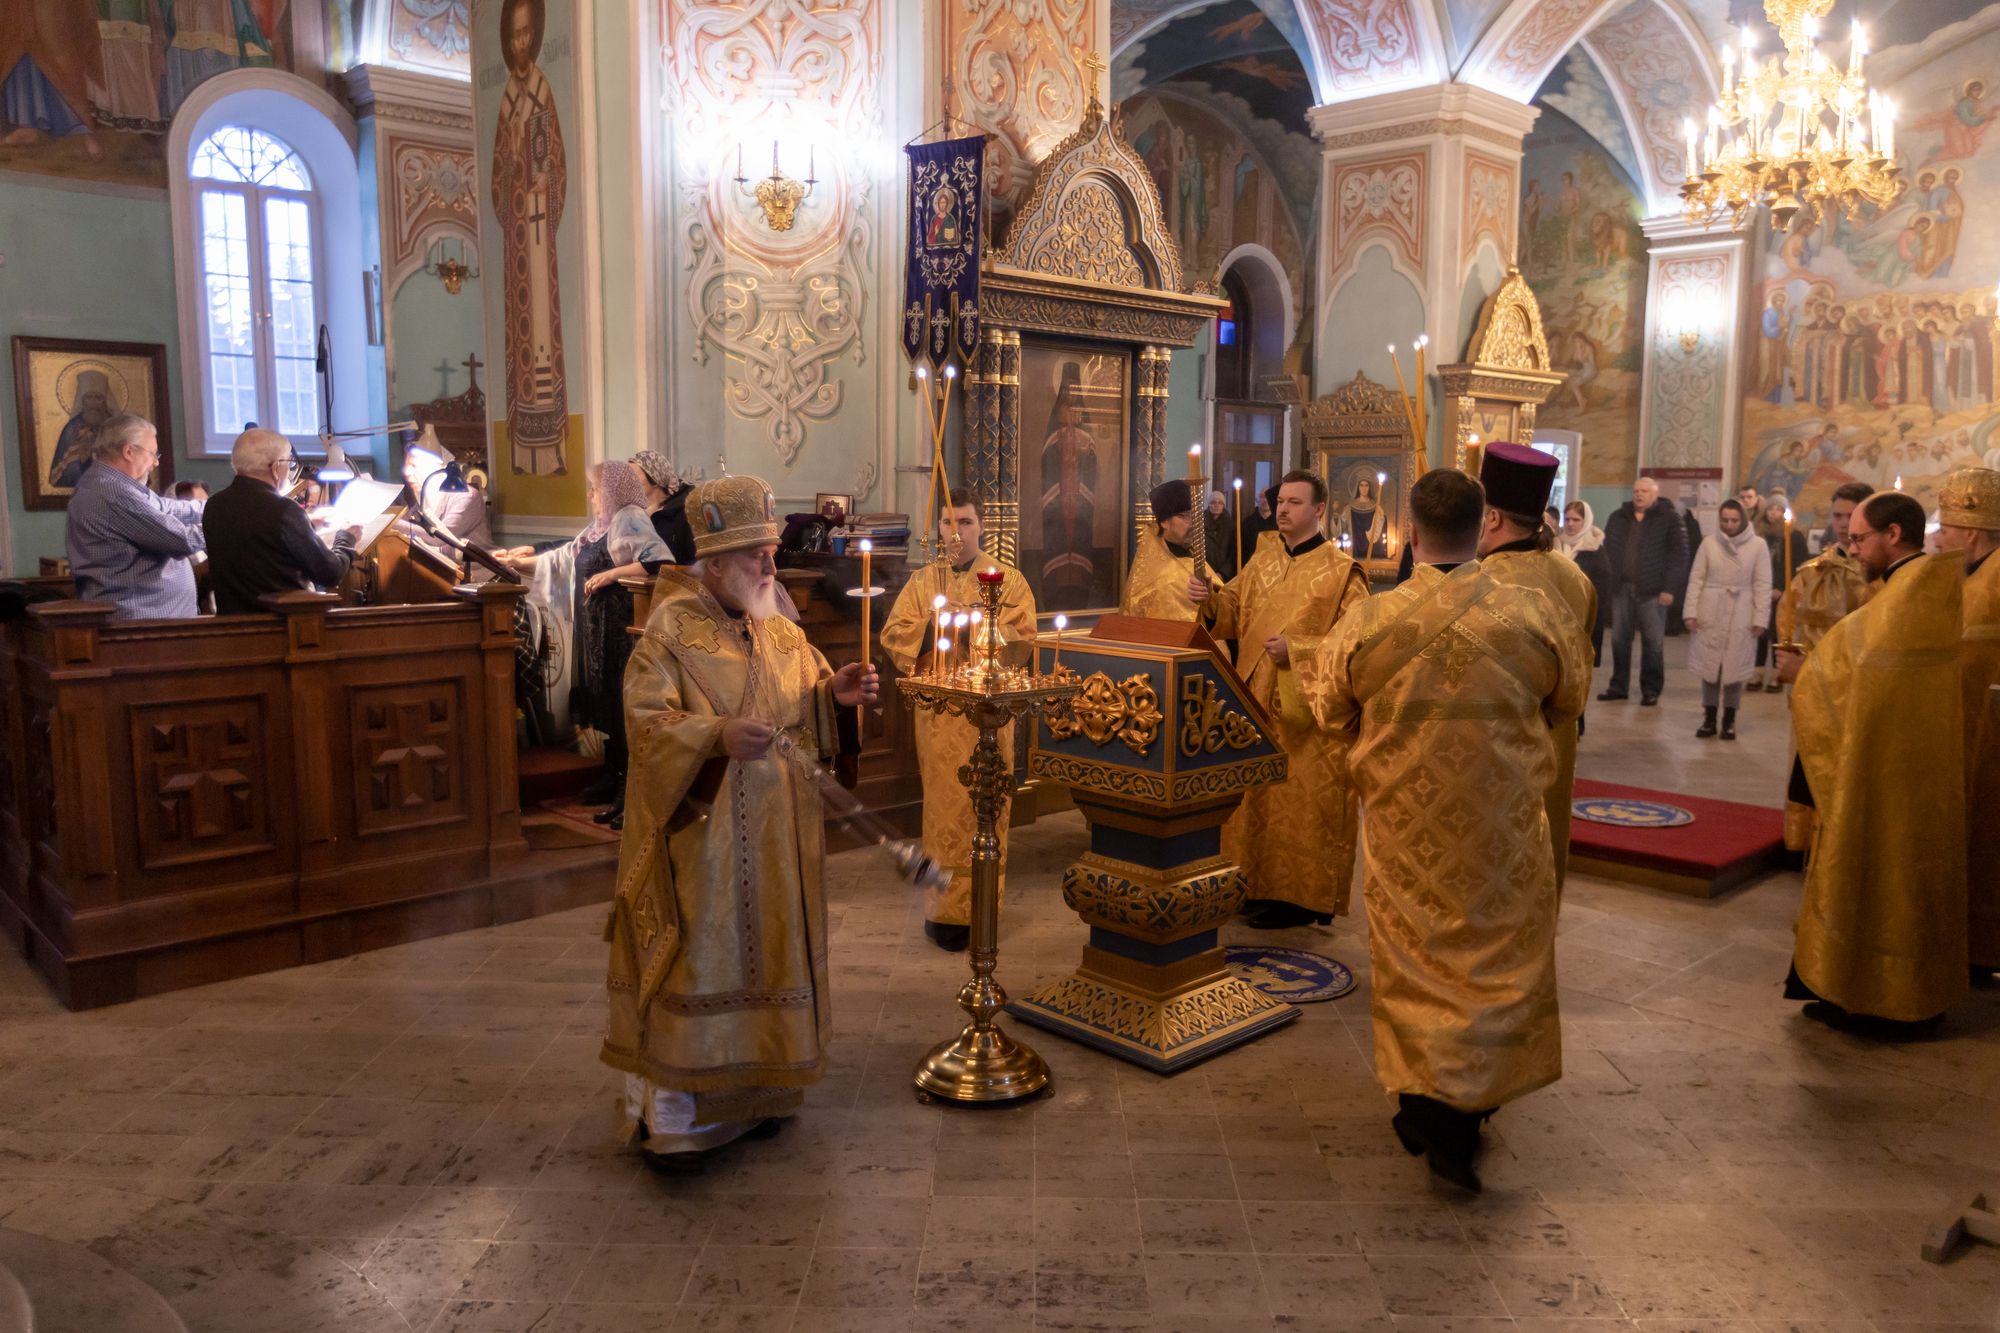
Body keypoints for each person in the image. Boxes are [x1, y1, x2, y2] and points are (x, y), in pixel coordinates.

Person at [1297, 468, 1588, 1192]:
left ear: (1413, 531)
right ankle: (1470, 1108)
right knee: (1494, 960)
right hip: (1504, 828)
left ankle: (1428, 1107)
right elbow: (1571, 697)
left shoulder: (1370, 620)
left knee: (1418, 962)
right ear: (1482, 521)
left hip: (1408, 832)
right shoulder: (1535, 611)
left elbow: (1326, 707)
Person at [600, 473, 878, 1171]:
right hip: (706, 847)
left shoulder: (776, 627)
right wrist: (715, 737)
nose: (771, 569)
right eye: (758, 555)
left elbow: (803, 705)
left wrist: (835, 697)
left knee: (772, 957)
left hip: (778, 843)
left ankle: (763, 1095)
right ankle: (682, 1125)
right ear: (717, 560)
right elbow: (646, 726)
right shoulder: (668, 631)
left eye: (772, 553)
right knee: (702, 961)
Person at [1779, 490, 1966, 1033]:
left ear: (1894, 535)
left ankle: (1881, 999)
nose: (1853, 547)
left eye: (1861, 537)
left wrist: (1804, 673)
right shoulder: (1921, 587)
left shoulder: (1902, 601)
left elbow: (1858, 682)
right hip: (1911, 770)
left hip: (1884, 776)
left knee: (1882, 876)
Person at [1190, 470, 1370, 930]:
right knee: (1255, 801)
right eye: (1281, 501)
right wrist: (1209, 599)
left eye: (1294, 502)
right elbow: (1232, 611)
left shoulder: (1341, 572)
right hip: (1253, 701)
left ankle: (1300, 899)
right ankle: (1252, 885)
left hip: (1305, 713)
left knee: (1301, 803)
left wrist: (1301, 650)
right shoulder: (1264, 556)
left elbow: (1357, 643)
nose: (1283, 509)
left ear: (1319, 510)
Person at [878, 489, 1037, 951]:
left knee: (988, 808)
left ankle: (984, 909)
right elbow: (894, 634)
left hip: (989, 716)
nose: (956, 532)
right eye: (948, 522)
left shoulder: (1008, 580)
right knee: (943, 811)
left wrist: (976, 624)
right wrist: (936, 625)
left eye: (965, 522)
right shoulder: (924, 580)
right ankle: (945, 912)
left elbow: (1024, 635)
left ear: (982, 526)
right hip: (940, 717)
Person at [501, 462, 668, 827]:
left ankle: (632, 793)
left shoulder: (630, 517)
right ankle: (614, 777)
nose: (591, 495)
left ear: (613, 491)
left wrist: (611, 574)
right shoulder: (599, 527)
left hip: (621, 628)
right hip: (598, 629)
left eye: (596, 488)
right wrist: (513, 562)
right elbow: (562, 560)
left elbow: (658, 562)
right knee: (606, 702)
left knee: (622, 706)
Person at [1476, 444, 1596, 887]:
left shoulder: (1481, 580)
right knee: (1542, 849)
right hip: (1556, 738)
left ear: (1492, 518)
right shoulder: (1575, 577)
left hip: (1495, 743)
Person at [1774, 481, 1876, 851]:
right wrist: (1789, 651)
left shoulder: (1876, 577)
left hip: (1851, 689)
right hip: (1809, 684)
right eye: (1838, 516)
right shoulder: (1813, 571)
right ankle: (1805, 842)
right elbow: (1788, 613)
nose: (1844, 524)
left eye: (1851, 516)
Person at [1931, 467, 2000, 977]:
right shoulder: (1969, 573)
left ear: (1971, 533)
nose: (1939, 538)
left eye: (1946, 529)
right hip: (1963, 729)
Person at [62, 413, 207, 621]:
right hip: (142, 625)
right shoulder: (114, 493)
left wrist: (215, 507)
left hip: (151, 620)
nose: (155, 463)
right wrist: (229, 521)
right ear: (129, 452)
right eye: (153, 454)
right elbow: (182, 540)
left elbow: (166, 507)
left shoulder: (108, 483)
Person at [203, 429, 360, 616]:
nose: (290, 469)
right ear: (276, 467)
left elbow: (258, 540)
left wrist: (307, 524)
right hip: (284, 625)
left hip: (231, 624)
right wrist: (346, 538)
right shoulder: (284, 510)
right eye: (289, 462)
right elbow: (330, 573)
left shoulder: (214, 505)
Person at [1684, 499, 1773, 741]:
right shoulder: (1709, 543)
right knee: (1710, 668)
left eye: (1734, 520)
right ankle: (1709, 718)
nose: (1730, 525)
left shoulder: (1758, 546)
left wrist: (1760, 617)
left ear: (1742, 520)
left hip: (1741, 611)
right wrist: (1691, 612)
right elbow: (1696, 579)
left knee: (1734, 669)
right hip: (1711, 610)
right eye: (1725, 520)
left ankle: (1730, 720)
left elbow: (1762, 584)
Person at [1598, 476, 1689, 705]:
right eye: (1636, 490)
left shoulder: (1669, 518)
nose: (1639, 494)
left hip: (1653, 591)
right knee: (1619, 639)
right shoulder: (1618, 517)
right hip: (1621, 588)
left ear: (1655, 495)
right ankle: (1618, 686)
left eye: (1644, 491)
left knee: (1652, 642)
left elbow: (1679, 555)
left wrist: (1669, 588)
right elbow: (1608, 549)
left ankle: (1651, 689)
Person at [1121, 478, 1220, 620]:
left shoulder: (1195, 553)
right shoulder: (1152, 572)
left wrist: (1210, 597)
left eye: (1195, 515)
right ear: (1164, 522)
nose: (1194, 524)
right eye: (1185, 516)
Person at [1750, 489, 1808, 691]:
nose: (1773, 512)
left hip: (1784, 592)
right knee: (1759, 631)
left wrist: (1784, 589)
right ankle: (1757, 672)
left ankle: (1777, 673)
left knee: (1778, 633)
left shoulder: (1795, 536)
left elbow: (1799, 565)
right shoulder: (1758, 534)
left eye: (1778, 509)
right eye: (1770, 509)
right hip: (1761, 591)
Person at [401, 437, 494, 549]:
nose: (407, 472)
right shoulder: (422, 504)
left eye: (413, 465)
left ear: (434, 468)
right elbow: (404, 527)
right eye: (406, 466)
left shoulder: (467, 498)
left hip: (474, 560)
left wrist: (392, 523)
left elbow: (440, 538)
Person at [1555, 500, 1611, 663]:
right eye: (1567, 519)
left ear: (1585, 521)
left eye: (1576, 520)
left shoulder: (1594, 547)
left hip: (1583, 613)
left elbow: (1602, 585)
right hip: (1556, 611)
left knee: (1580, 661)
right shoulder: (1556, 543)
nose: (1570, 524)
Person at [631, 450, 696, 564]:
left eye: (633, 475)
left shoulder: (684, 511)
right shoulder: (632, 513)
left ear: (655, 478)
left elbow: (693, 558)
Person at [1204, 488, 1237, 582]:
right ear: (1209, 505)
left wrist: (1223, 573)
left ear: (1223, 506)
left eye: (1220, 503)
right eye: (1213, 502)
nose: (1216, 505)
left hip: (1224, 577)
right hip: (1205, 573)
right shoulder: (1200, 524)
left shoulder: (1230, 526)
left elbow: (1233, 554)